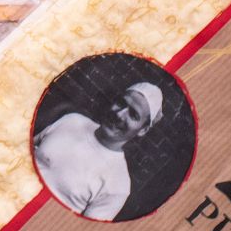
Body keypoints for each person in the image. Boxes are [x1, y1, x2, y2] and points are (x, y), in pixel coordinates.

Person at [32, 81, 163, 221]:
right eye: (121, 103)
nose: (120, 114)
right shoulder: (72, 120)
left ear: (142, 129)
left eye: (133, 115)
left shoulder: (119, 185)